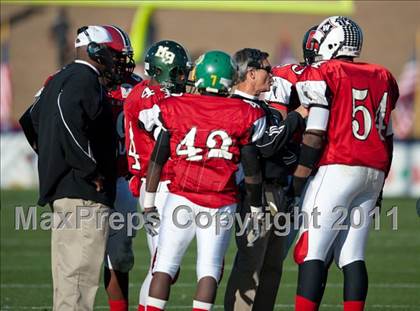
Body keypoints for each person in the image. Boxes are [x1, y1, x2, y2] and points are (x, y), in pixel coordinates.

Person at [143, 50, 266, 311]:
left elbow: (158, 157)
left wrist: (149, 200)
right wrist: (255, 207)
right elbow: (252, 168)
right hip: (219, 201)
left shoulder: (176, 106)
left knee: (163, 267)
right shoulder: (244, 112)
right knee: (208, 272)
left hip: (180, 196)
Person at [291, 16, 399, 311]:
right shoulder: (383, 75)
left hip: (337, 166)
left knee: (310, 251)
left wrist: (298, 180)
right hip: (373, 171)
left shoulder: (326, 71)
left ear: (332, 41)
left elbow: (315, 133)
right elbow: (387, 137)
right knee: (352, 256)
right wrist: (378, 187)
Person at [19, 25, 120, 310]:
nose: (117, 61)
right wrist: (89, 168)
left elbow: (31, 119)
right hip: (83, 192)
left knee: (68, 278)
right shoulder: (83, 78)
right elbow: (67, 118)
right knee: (78, 279)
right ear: (96, 51)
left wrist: (52, 156)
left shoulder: (61, 77)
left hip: (67, 191)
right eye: (113, 54)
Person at [224, 48, 307, 311]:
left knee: (272, 266)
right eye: (267, 70)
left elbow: (281, 150)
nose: (272, 75)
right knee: (251, 264)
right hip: (253, 195)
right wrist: (296, 117)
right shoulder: (236, 108)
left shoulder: (263, 109)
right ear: (250, 74)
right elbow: (268, 146)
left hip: (277, 192)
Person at [122, 39, 192, 311]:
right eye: (178, 73)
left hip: (162, 183)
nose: (184, 78)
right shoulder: (148, 99)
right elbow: (173, 130)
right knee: (162, 267)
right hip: (158, 185)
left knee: (164, 268)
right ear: (163, 72)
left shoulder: (147, 92)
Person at [101, 25, 142, 311]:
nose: (124, 63)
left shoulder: (137, 86)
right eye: (118, 56)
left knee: (120, 256)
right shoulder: (74, 81)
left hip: (124, 180)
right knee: (80, 258)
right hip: (87, 182)